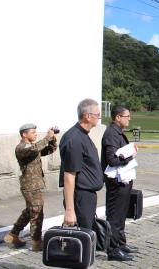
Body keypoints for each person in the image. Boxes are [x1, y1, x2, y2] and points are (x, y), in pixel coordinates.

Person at [4, 124, 57, 251]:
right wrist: (46, 138)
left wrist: (52, 140)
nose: (35, 134)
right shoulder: (21, 148)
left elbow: (48, 150)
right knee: (37, 213)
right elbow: (34, 149)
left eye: (35, 132)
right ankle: (37, 242)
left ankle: (13, 235)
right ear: (24, 134)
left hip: (35, 185)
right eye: (33, 132)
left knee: (30, 211)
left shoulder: (33, 146)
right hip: (29, 185)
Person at [59, 99, 103, 230]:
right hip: (80, 197)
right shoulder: (75, 139)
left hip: (87, 196)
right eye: (97, 114)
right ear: (88, 116)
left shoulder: (83, 135)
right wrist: (69, 210)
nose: (99, 117)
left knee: (87, 235)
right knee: (83, 236)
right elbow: (69, 176)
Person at [101, 106, 137, 261]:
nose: (129, 119)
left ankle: (121, 244)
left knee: (121, 215)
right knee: (114, 217)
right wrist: (130, 156)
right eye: (126, 116)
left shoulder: (118, 132)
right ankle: (113, 250)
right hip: (115, 181)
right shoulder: (111, 134)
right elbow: (112, 159)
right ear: (117, 117)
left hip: (123, 179)